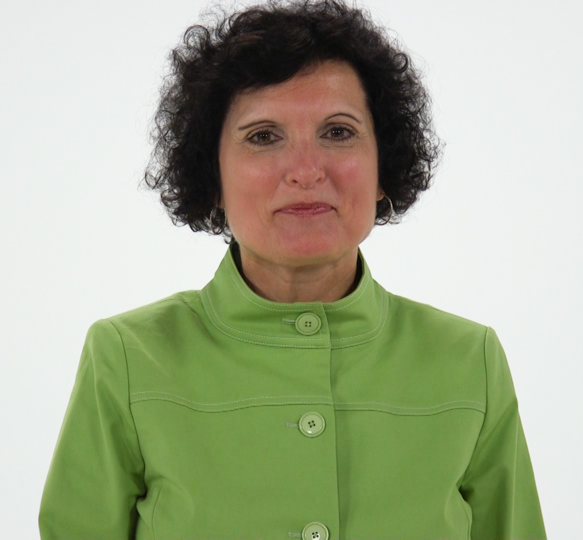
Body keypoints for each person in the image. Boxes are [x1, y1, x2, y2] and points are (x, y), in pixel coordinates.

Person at [38, 0, 547, 538]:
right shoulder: (127, 359)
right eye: (263, 136)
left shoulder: (470, 362)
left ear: (383, 166)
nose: (306, 171)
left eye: (338, 132)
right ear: (212, 175)